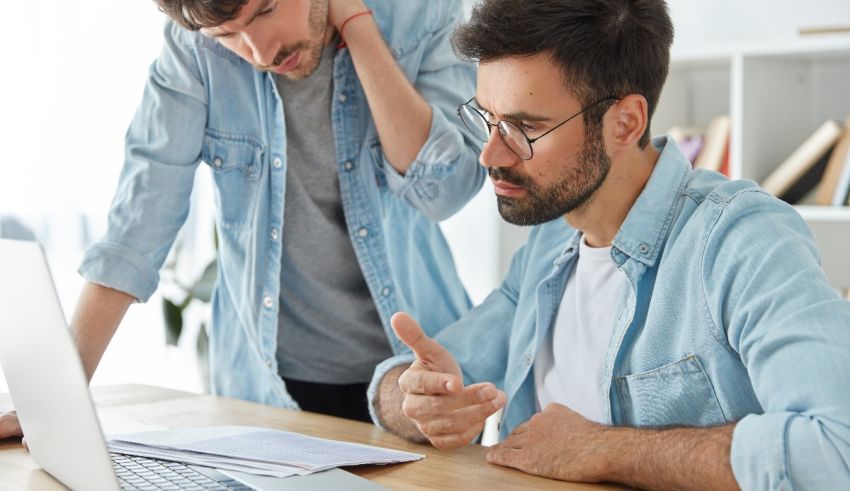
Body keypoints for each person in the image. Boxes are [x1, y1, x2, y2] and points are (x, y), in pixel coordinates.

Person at [369, 0, 850, 489]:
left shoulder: (744, 240)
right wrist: (417, 402)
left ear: (626, 123)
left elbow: (836, 449)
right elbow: (413, 376)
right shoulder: (550, 239)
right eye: (487, 119)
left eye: (525, 128)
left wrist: (599, 448)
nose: (491, 153)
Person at [0, 0, 484, 441]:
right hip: (265, 389)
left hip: (416, 383)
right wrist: (54, 399)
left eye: (267, 10)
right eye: (227, 36)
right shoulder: (194, 48)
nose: (260, 51)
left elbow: (445, 192)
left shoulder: (421, 13)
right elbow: (139, 222)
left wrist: (359, 29)